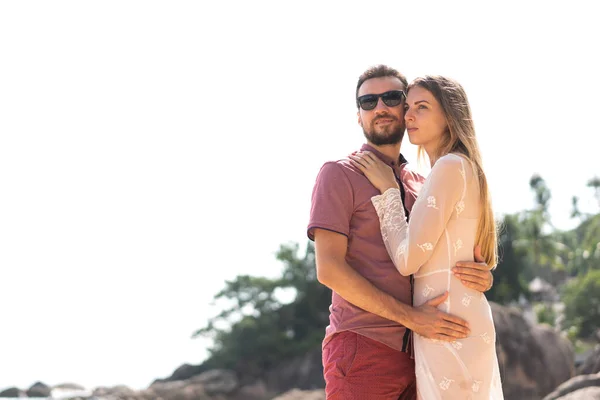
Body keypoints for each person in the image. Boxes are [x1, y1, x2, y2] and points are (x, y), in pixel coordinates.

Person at [307, 65, 495, 400]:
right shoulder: (338, 174)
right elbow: (329, 270)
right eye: (368, 102)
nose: (379, 107)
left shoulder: (425, 182)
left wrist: (481, 276)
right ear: (359, 116)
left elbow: (452, 253)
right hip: (365, 347)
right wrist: (412, 318)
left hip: (425, 350)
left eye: (392, 98)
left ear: (404, 108)